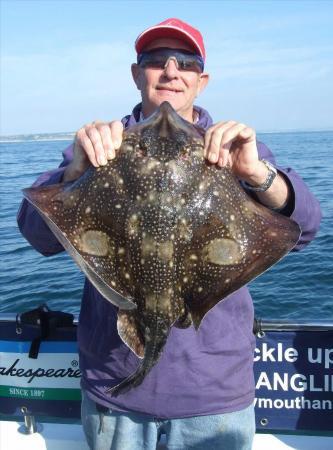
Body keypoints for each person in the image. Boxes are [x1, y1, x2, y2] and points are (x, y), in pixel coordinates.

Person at [18, 18, 321, 450]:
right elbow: (36, 234)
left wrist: (256, 173)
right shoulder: (98, 148)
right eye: (156, 60)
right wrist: (75, 171)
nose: (171, 71)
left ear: (203, 80)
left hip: (213, 395)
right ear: (136, 73)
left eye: (186, 63)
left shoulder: (236, 150)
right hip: (115, 388)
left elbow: (304, 227)